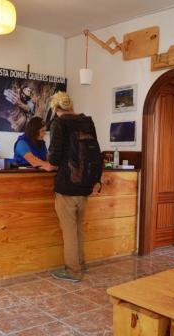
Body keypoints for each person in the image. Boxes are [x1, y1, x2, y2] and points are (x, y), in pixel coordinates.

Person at [48, 91, 102, 282]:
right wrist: (96, 180)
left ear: (55, 108)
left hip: (67, 185)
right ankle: (80, 263)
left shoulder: (59, 123)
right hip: (85, 185)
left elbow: (54, 159)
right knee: (78, 228)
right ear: (71, 106)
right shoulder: (87, 122)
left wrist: (46, 164)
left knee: (69, 231)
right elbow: (97, 152)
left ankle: (72, 271)